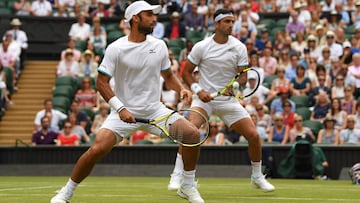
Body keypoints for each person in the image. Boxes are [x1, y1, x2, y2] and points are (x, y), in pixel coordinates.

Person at [50, 2, 204, 203]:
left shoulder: (159, 45)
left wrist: (181, 88)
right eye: (149, 14)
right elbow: (101, 83)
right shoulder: (116, 48)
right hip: (121, 113)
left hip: (155, 111)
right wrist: (120, 108)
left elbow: (168, 76)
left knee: (191, 134)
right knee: (97, 149)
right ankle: (66, 192)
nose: (154, 18)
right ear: (135, 18)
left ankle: (187, 186)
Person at [167, 8, 275, 195]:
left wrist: (237, 86)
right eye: (226, 21)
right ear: (216, 24)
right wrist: (198, 91)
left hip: (227, 100)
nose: (231, 25)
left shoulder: (239, 47)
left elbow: (242, 76)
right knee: (190, 132)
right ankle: (177, 175)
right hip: (203, 100)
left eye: (232, 21)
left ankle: (257, 177)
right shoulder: (202, 46)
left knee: (254, 136)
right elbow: (186, 72)